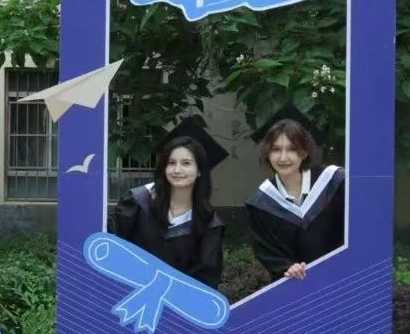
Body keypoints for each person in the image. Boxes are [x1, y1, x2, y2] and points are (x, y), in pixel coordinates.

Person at [109, 118, 228, 289]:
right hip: (126, 291)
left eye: (186, 163)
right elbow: (112, 246)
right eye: (171, 163)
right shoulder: (138, 202)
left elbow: (206, 279)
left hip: (177, 301)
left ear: (200, 170)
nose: (177, 170)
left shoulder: (208, 222)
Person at [244, 105, 345, 282]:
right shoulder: (261, 203)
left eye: (292, 149)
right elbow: (267, 251)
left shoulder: (334, 182)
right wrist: (287, 266)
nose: (283, 157)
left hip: (342, 278)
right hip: (297, 286)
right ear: (268, 154)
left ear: (304, 152)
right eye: (276, 149)